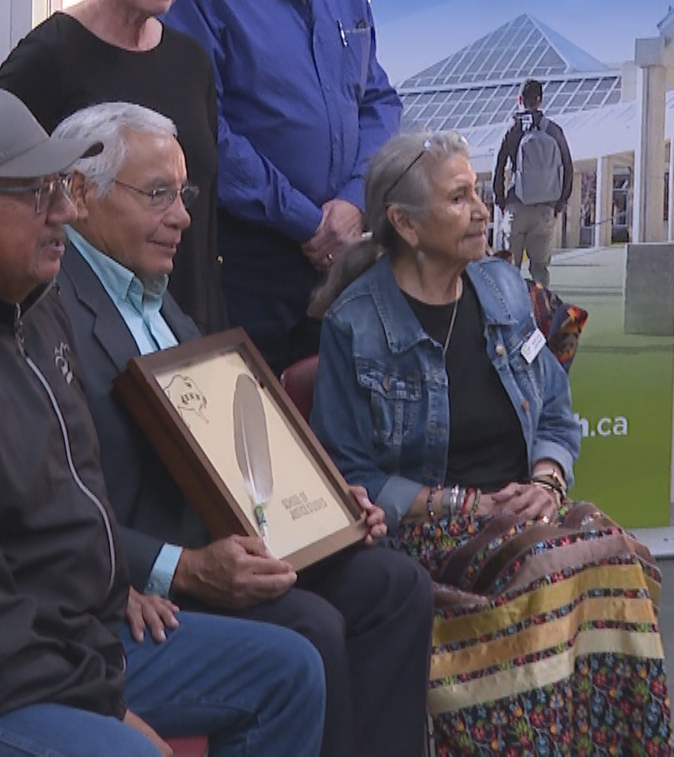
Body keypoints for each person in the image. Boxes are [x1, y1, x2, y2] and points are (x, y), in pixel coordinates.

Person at [0, 86, 325, 757]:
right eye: (35, 193)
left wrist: (114, 586)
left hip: (53, 638)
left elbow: (76, 485)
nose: (65, 211)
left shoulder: (30, 309)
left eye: (61, 187)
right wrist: (100, 699)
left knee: (291, 672)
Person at [50, 103, 432, 757]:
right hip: (148, 578)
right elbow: (49, 496)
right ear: (80, 195)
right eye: (159, 194)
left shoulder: (157, 296)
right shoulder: (48, 310)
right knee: (310, 626)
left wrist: (332, 507)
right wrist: (175, 569)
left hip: (234, 542)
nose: (183, 216)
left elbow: (235, 440)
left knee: (393, 587)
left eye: (185, 193)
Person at [307, 131, 671, 756]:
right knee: (553, 565)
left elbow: (554, 409)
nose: (483, 210)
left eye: (478, 192)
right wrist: (467, 507)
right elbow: (345, 475)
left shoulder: (503, 289)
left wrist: (547, 481)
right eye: (460, 198)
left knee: (615, 553)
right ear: (405, 223)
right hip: (427, 531)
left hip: (523, 514)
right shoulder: (355, 324)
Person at [164, 0, 402, 373]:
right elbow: (205, 131)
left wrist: (349, 203)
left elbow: (378, 102)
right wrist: (306, 222)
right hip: (248, 264)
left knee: (338, 435)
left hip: (346, 260)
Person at [0, 0, 226, 332]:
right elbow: (4, 197)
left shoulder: (191, 61)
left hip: (185, 312)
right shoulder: (45, 60)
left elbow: (205, 210)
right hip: (83, 324)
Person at [492, 78, 574, 287]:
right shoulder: (553, 130)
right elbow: (567, 166)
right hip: (545, 210)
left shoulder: (512, 129)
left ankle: (511, 316)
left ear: (519, 99)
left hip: (516, 206)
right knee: (540, 269)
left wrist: (501, 201)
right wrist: (559, 203)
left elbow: (498, 166)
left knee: (509, 270)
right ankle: (542, 314)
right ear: (540, 100)